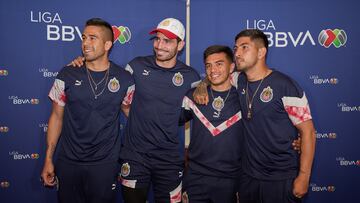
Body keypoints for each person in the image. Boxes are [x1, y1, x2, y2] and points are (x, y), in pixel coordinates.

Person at [69, 18, 200, 203]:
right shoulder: (136, 66)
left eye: (167, 41)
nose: (159, 45)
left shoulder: (192, 77)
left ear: (181, 45)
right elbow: (112, 83)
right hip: (135, 157)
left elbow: (195, 109)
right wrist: (84, 63)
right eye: (158, 39)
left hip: (169, 160)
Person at [195, 29, 316, 203]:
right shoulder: (239, 79)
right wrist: (202, 85)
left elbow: (308, 132)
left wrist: (304, 177)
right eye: (236, 48)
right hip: (248, 177)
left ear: (261, 52)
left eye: (244, 47)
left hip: (280, 178)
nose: (237, 53)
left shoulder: (285, 86)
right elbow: (215, 75)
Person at [40, 18, 135, 203]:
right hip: (69, 162)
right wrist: (48, 158)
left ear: (108, 44)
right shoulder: (67, 74)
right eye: (84, 37)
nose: (85, 43)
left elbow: (130, 111)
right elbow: (56, 118)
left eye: (93, 38)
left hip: (105, 164)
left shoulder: (125, 79)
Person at [180, 45, 243, 203]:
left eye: (219, 64)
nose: (213, 69)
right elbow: (168, 121)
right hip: (195, 177)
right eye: (208, 65)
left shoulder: (244, 97)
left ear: (232, 67)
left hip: (230, 179)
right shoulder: (194, 96)